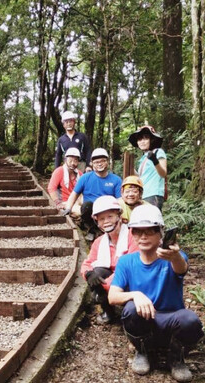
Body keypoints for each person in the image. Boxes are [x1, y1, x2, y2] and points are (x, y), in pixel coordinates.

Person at [109, 205, 203, 381]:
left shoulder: (175, 257)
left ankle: (176, 358)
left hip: (171, 321)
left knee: (190, 320)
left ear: (161, 233)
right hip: (145, 323)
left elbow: (181, 268)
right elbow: (112, 296)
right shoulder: (126, 261)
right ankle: (143, 351)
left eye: (150, 231)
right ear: (132, 233)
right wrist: (135, 294)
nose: (143, 236)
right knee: (130, 309)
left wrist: (174, 256)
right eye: (137, 231)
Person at [80, 196, 138, 324]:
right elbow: (87, 263)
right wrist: (89, 274)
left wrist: (105, 286)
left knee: (102, 280)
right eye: (101, 219)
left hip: (131, 280)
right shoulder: (99, 242)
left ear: (119, 216)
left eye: (110, 217)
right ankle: (108, 311)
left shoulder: (132, 236)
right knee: (97, 271)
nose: (106, 221)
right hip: (110, 282)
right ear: (97, 222)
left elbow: (131, 266)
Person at [65, 148, 122, 240]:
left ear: (107, 162)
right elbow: (74, 194)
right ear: (92, 164)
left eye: (102, 161)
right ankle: (91, 229)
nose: (99, 164)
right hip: (90, 210)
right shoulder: (85, 178)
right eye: (96, 162)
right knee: (86, 206)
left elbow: (120, 200)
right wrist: (68, 208)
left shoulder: (116, 180)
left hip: (108, 209)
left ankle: (109, 230)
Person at [128, 125, 167, 210]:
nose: (142, 141)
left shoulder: (158, 152)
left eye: (145, 138)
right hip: (143, 195)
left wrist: (154, 160)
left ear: (152, 140)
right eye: (139, 139)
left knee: (152, 221)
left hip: (153, 194)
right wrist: (129, 166)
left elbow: (163, 173)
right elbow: (140, 178)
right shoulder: (143, 158)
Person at [48, 147, 83, 213]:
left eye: (75, 160)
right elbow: (51, 188)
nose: (72, 163)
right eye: (70, 160)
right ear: (65, 160)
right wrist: (58, 202)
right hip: (65, 201)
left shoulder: (79, 173)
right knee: (80, 211)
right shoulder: (59, 171)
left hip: (78, 199)